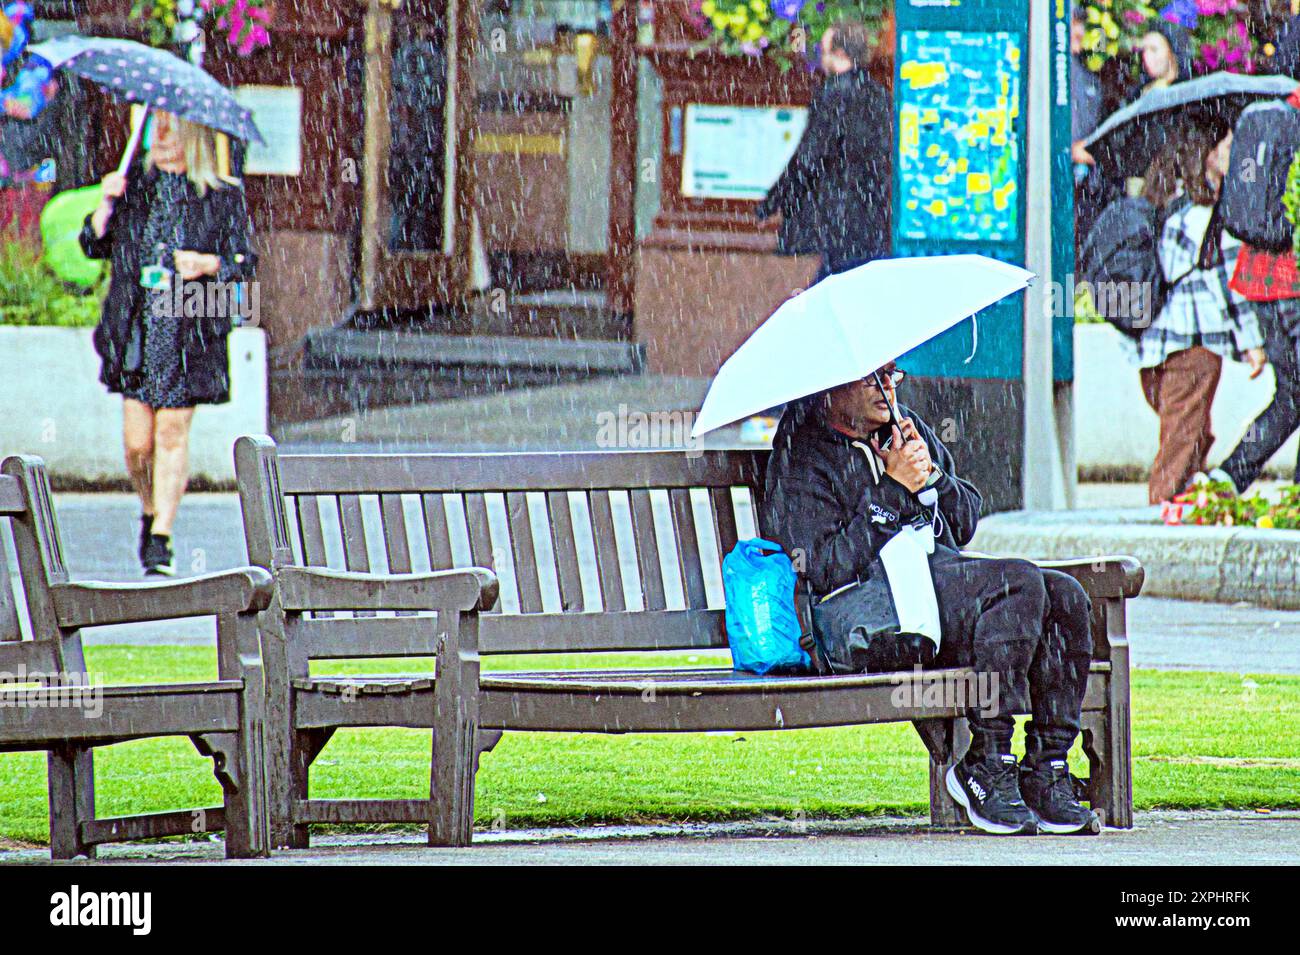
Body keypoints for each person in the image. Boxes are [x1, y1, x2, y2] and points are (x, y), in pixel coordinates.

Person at [763, 367, 1100, 836]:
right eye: (871, 378)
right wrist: (892, 491)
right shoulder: (803, 453)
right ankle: (987, 762)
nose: (887, 388)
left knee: (1065, 595)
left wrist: (933, 477)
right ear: (830, 384)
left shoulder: (904, 430)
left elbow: (962, 525)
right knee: (1017, 583)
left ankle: (1046, 769)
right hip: (864, 622)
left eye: (892, 374)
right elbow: (823, 569)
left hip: (930, 596)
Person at [80, 110, 256, 576]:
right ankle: (147, 508)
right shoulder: (133, 187)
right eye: (153, 123)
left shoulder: (221, 196)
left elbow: (245, 260)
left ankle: (162, 535)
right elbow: (92, 245)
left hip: (189, 330)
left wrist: (208, 264)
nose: (158, 134)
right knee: (137, 445)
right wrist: (103, 207)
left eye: (170, 125)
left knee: (171, 433)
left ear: (193, 132)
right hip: (139, 329)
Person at [1126, 125, 1266, 504]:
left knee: (1195, 437)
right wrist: (1253, 343)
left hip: (1156, 346)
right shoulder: (1205, 213)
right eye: (1228, 144)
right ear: (1208, 153)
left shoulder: (1167, 203)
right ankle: (1160, 528)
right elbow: (1231, 283)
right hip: (1193, 346)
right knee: (1181, 446)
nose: (1235, 153)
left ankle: (1185, 511)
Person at [1200, 86, 1300, 495]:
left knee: (1292, 391)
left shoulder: (1270, 115)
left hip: (1259, 280)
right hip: (1293, 278)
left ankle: (1230, 475)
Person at [755, 19, 892, 282]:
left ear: (840, 53)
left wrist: (771, 203)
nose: (820, 57)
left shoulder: (834, 94)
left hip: (839, 220)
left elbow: (809, 158)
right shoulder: (880, 94)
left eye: (824, 50)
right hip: (873, 219)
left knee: (831, 285)